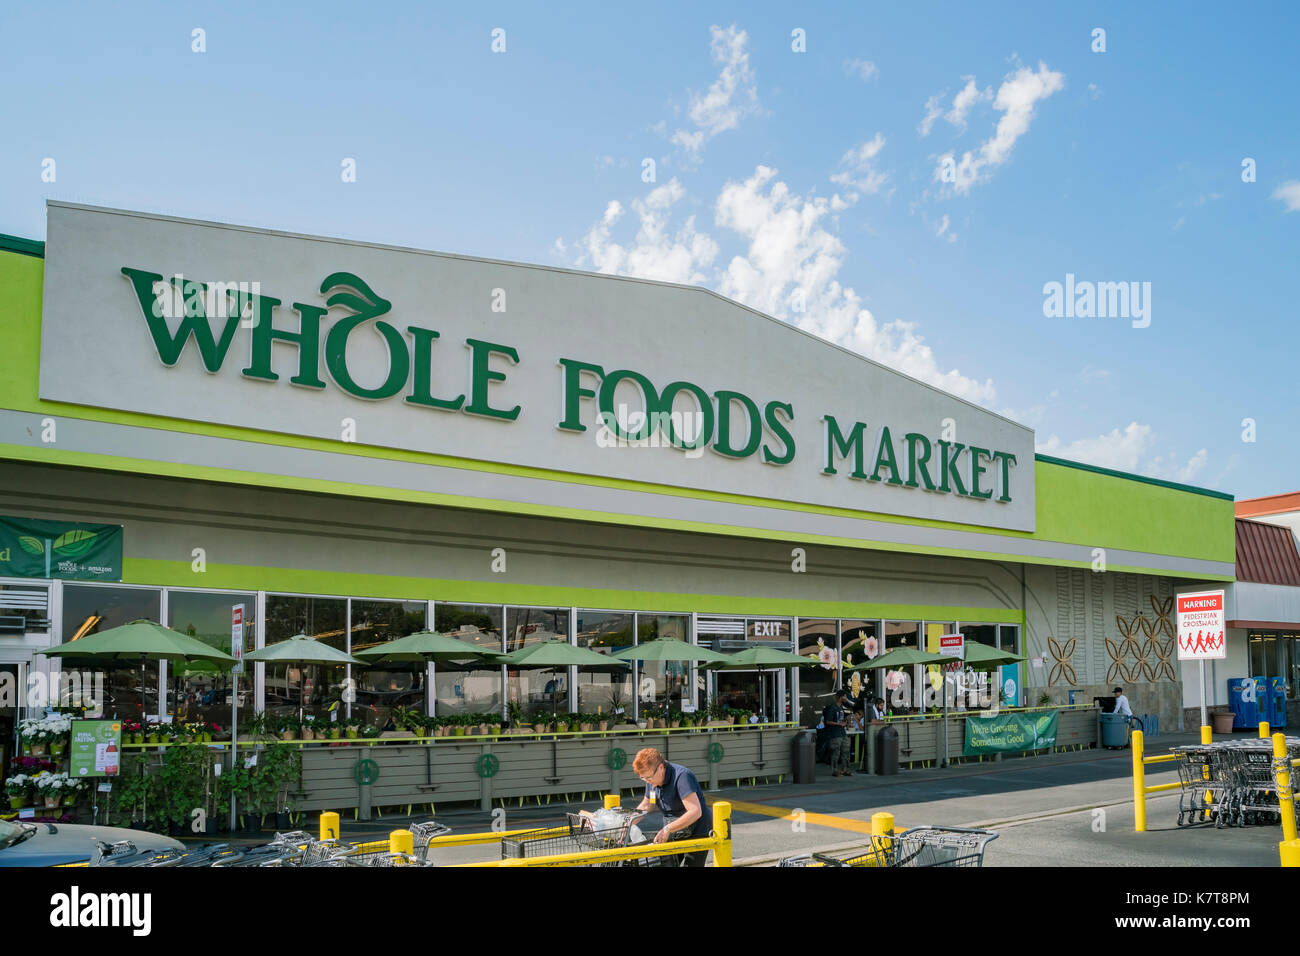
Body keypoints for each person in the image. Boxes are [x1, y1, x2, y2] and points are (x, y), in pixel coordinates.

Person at [631, 748, 713, 867]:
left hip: (696, 828)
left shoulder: (681, 776)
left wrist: (668, 829)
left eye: (648, 777)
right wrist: (629, 822)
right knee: (665, 864)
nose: (647, 782)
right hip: (672, 827)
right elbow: (647, 804)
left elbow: (695, 811)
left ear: (660, 767)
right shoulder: (652, 781)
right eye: (643, 778)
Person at [824, 689, 851, 777]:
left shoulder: (841, 707)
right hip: (835, 733)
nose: (845, 698)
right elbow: (828, 721)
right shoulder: (832, 707)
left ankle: (845, 769)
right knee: (836, 752)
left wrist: (845, 723)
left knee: (845, 751)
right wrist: (838, 724)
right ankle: (834, 770)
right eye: (844, 696)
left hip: (842, 732)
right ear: (840, 697)